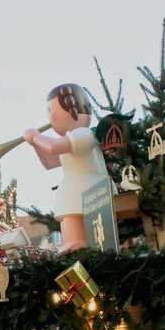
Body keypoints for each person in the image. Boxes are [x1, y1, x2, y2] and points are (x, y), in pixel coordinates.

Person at [24, 83, 108, 251]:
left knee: (76, 215)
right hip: (76, 187)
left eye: (51, 110)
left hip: (89, 187)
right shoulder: (69, 141)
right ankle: (74, 243)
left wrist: (36, 137)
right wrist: (35, 144)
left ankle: (80, 244)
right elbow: (50, 162)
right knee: (70, 216)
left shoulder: (83, 134)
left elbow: (53, 147)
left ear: (72, 108)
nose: (50, 117)